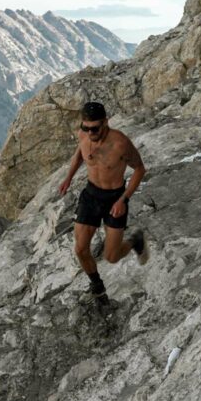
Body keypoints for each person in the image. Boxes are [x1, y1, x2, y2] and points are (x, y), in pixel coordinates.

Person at [58, 101, 149, 305]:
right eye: (86, 128)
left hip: (114, 198)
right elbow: (78, 157)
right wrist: (68, 178)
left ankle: (135, 240)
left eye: (95, 128)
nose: (90, 133)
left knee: (112, 256)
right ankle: (97, 287)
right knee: (81, 249)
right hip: (91, 195)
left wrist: (123, 199)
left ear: (106, 122)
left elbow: (140, 170)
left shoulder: (120, 143)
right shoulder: (84, 135)